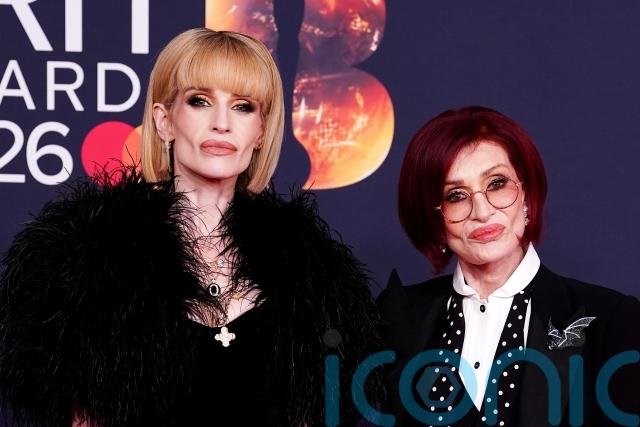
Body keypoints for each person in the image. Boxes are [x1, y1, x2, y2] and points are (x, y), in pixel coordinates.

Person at [0, 28, 382, 426]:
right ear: (164, 121)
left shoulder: (311, 275)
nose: (222, 123)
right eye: (200, 101)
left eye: (243, 107)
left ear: (261, 132)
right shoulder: (91, 263)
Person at [378, 106, 639, 426]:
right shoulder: (398, 315)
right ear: (435, 220)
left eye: (497, 183)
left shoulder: (612, 319)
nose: (482, 211)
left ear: (526, 194)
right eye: (456, 195)